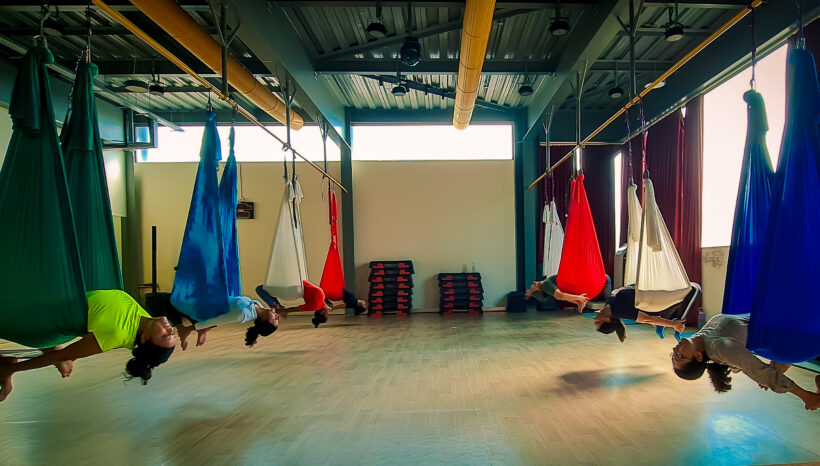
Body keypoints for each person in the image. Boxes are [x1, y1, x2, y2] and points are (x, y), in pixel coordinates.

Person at [0, 290, 175, 402]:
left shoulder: (117, 333)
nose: (169, 330)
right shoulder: (142, 317)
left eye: (165, 337)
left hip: (43, 320)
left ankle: (6, 369)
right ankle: (5, 363)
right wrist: (67, 359)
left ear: (145, 338)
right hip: (55, 301)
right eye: (172, 334)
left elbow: (63, 354)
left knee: (61, 356)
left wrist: (14, 369)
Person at [671, 313, 820, 411]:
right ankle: (813, 396)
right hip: (792, 332)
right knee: (768, 373)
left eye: (673, 355)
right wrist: (806, 396)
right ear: (698, 357)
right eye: (679, 357)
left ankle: (781, 362)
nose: (675, 351)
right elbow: (760, 372)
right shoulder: (719, 347)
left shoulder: (703, 336)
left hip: (779, 322)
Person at [174, 296, 280, 350]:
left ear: (263, 320)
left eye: (274, 320)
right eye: (277, 318)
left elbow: (217, 320)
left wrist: (189, 328)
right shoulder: (258, 306)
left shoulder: (242, 314)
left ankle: (185, 330)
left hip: (202, 308)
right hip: (212, 301)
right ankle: (203, 329)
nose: (276, 316)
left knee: (171, 304)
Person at [592, 286, 693, 342]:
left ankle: (660, 325)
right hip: (661, 305)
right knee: (693, 291)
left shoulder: (608, 304)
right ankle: (662, 324)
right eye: (597, 322)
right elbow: (648, 319)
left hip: (649, 294)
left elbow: (620, 291)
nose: (594, 319)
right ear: (607, 319)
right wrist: (674, 325)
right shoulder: (620, 311)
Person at [525, 274, 612, 312]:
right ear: (539, 291)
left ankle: (610, 307)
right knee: (606, 278)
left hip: (583, 283)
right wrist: (579, 298)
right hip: (591, 281)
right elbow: (560, 296)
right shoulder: (546, 284)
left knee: (606, 279)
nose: (534, 283)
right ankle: (611, 308)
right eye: (532, 287)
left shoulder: (548, 286)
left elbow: (564, 297)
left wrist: (578, 301)